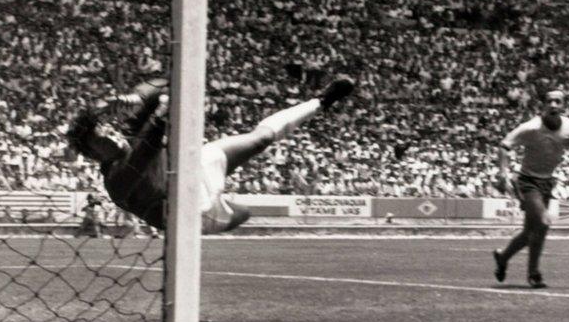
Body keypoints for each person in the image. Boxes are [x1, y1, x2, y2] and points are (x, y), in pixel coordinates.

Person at [67, 77, 354, 234]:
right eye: (99, 136)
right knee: (244, 213)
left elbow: (165, 80)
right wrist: (158, 111)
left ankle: (321, 100)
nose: (109, 132)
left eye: (106, 126)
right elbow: (149, 145)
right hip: (193, 210)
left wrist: (138, 96)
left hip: (191, 167)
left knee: (262, 138)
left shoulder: (126, 135)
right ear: (93, 153)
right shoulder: (116, 181)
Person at [492, 89, 569, 288]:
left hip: (547, 182)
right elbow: (504, 145)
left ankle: (503, 257)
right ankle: (533, 272)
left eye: (558, 102)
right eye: (549, 101)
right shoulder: (531, 127)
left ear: (563, 106)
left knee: (530, 231)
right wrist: (503, 173)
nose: (553, 105)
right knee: (543, 223)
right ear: (543, 105)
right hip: (528, 181)